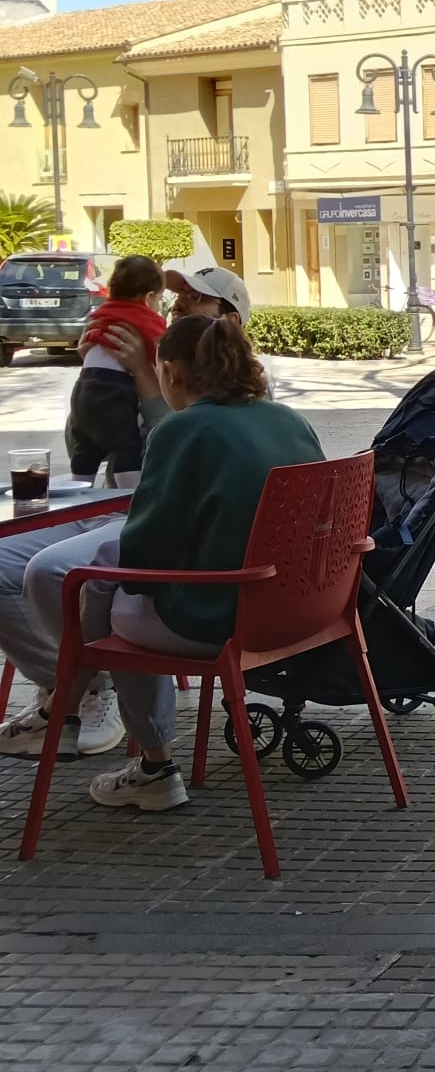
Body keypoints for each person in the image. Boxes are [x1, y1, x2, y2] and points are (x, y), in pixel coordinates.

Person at [4, 315, 322, 809]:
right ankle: (61, 714)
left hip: (221, 620)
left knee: (108, 590)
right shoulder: (287, 420)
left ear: (171, 373)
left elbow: (144, 551)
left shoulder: (181, 430)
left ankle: (137, 755)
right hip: (305, 612)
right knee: (110, 576)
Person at [0, 324, 165, 760]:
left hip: (145, 517)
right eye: (178, 298)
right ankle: (69, 682)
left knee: (55, 570)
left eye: (195, 299)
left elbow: (171, 450)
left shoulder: (226, 370)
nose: (180, 305)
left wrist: (145, 374)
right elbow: (82, 442)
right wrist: (94, 374)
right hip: (99, 507)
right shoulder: (129, 361)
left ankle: (88, 688)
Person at [65, 253, 167, 485]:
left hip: (84, 386)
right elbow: (163, 356)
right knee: (126, 446)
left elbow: (92, 342)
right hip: (113, 390)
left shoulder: (99, 314)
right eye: (160, 299)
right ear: (150, 297)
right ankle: (128, 497)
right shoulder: (147, 319)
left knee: (85, 447)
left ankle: (80, 493)